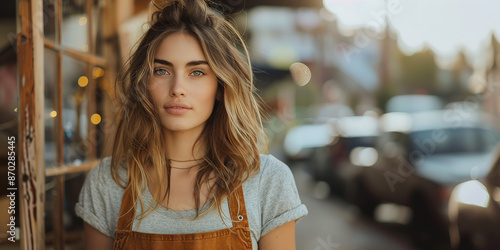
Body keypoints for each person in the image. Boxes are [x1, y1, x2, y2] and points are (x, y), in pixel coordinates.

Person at [75, 0, 308, 249]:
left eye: (196, 72)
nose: (177, 89)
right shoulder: (108, 182)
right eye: (162, 71)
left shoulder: (267, 181)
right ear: (144, 83)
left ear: (220, 86)